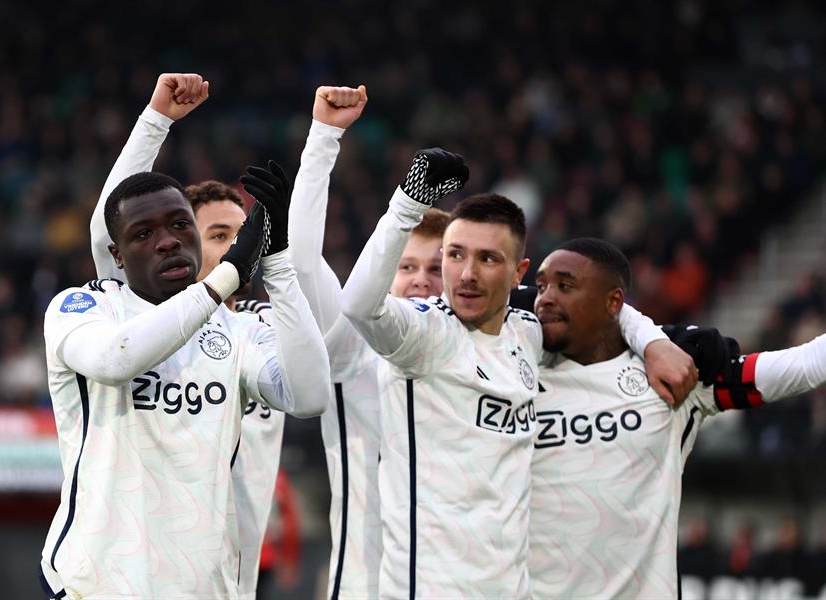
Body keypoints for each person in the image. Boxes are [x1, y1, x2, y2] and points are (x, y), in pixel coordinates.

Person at [339, 151, 694, 598]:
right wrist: (407, 202)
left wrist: (651, 339)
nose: (466, 274)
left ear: (518, 274)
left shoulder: (526, 329)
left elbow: (597, 305)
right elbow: (357, 306)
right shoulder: (422, 333)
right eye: (455, 255)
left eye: (487, 259)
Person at [39, 165, 331, 599]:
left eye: (180, 225)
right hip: (95, 584)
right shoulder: (82, 308)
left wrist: (278, 261)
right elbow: (114, 360)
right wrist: (226, 274)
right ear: (117, 255)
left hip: (201, 587)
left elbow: (310, 396)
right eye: (143, 234)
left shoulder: (238, 330)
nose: (169, 240)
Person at [527, 237, 826, 599]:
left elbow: (803, 365)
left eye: (565, 285)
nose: (545, 298)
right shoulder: (511, 374)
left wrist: (651, 341)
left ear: (613, 303)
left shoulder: (675, 377)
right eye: (541, 286)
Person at [86, 73, 285, 599]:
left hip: (227, 580)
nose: (232, 250)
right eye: (217, 235)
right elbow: (109, 228)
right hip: (134, 578)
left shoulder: (264, 330)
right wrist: (155, 123)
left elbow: (309, 388)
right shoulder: (125, 314)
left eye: (243, 237)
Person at [287, 85, 452, 598]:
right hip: (366, 585)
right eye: (405, 267)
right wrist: (324, 138)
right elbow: (302, 260)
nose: (422, 279)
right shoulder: (351, 339)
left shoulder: (480, 351)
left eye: (436, 267)